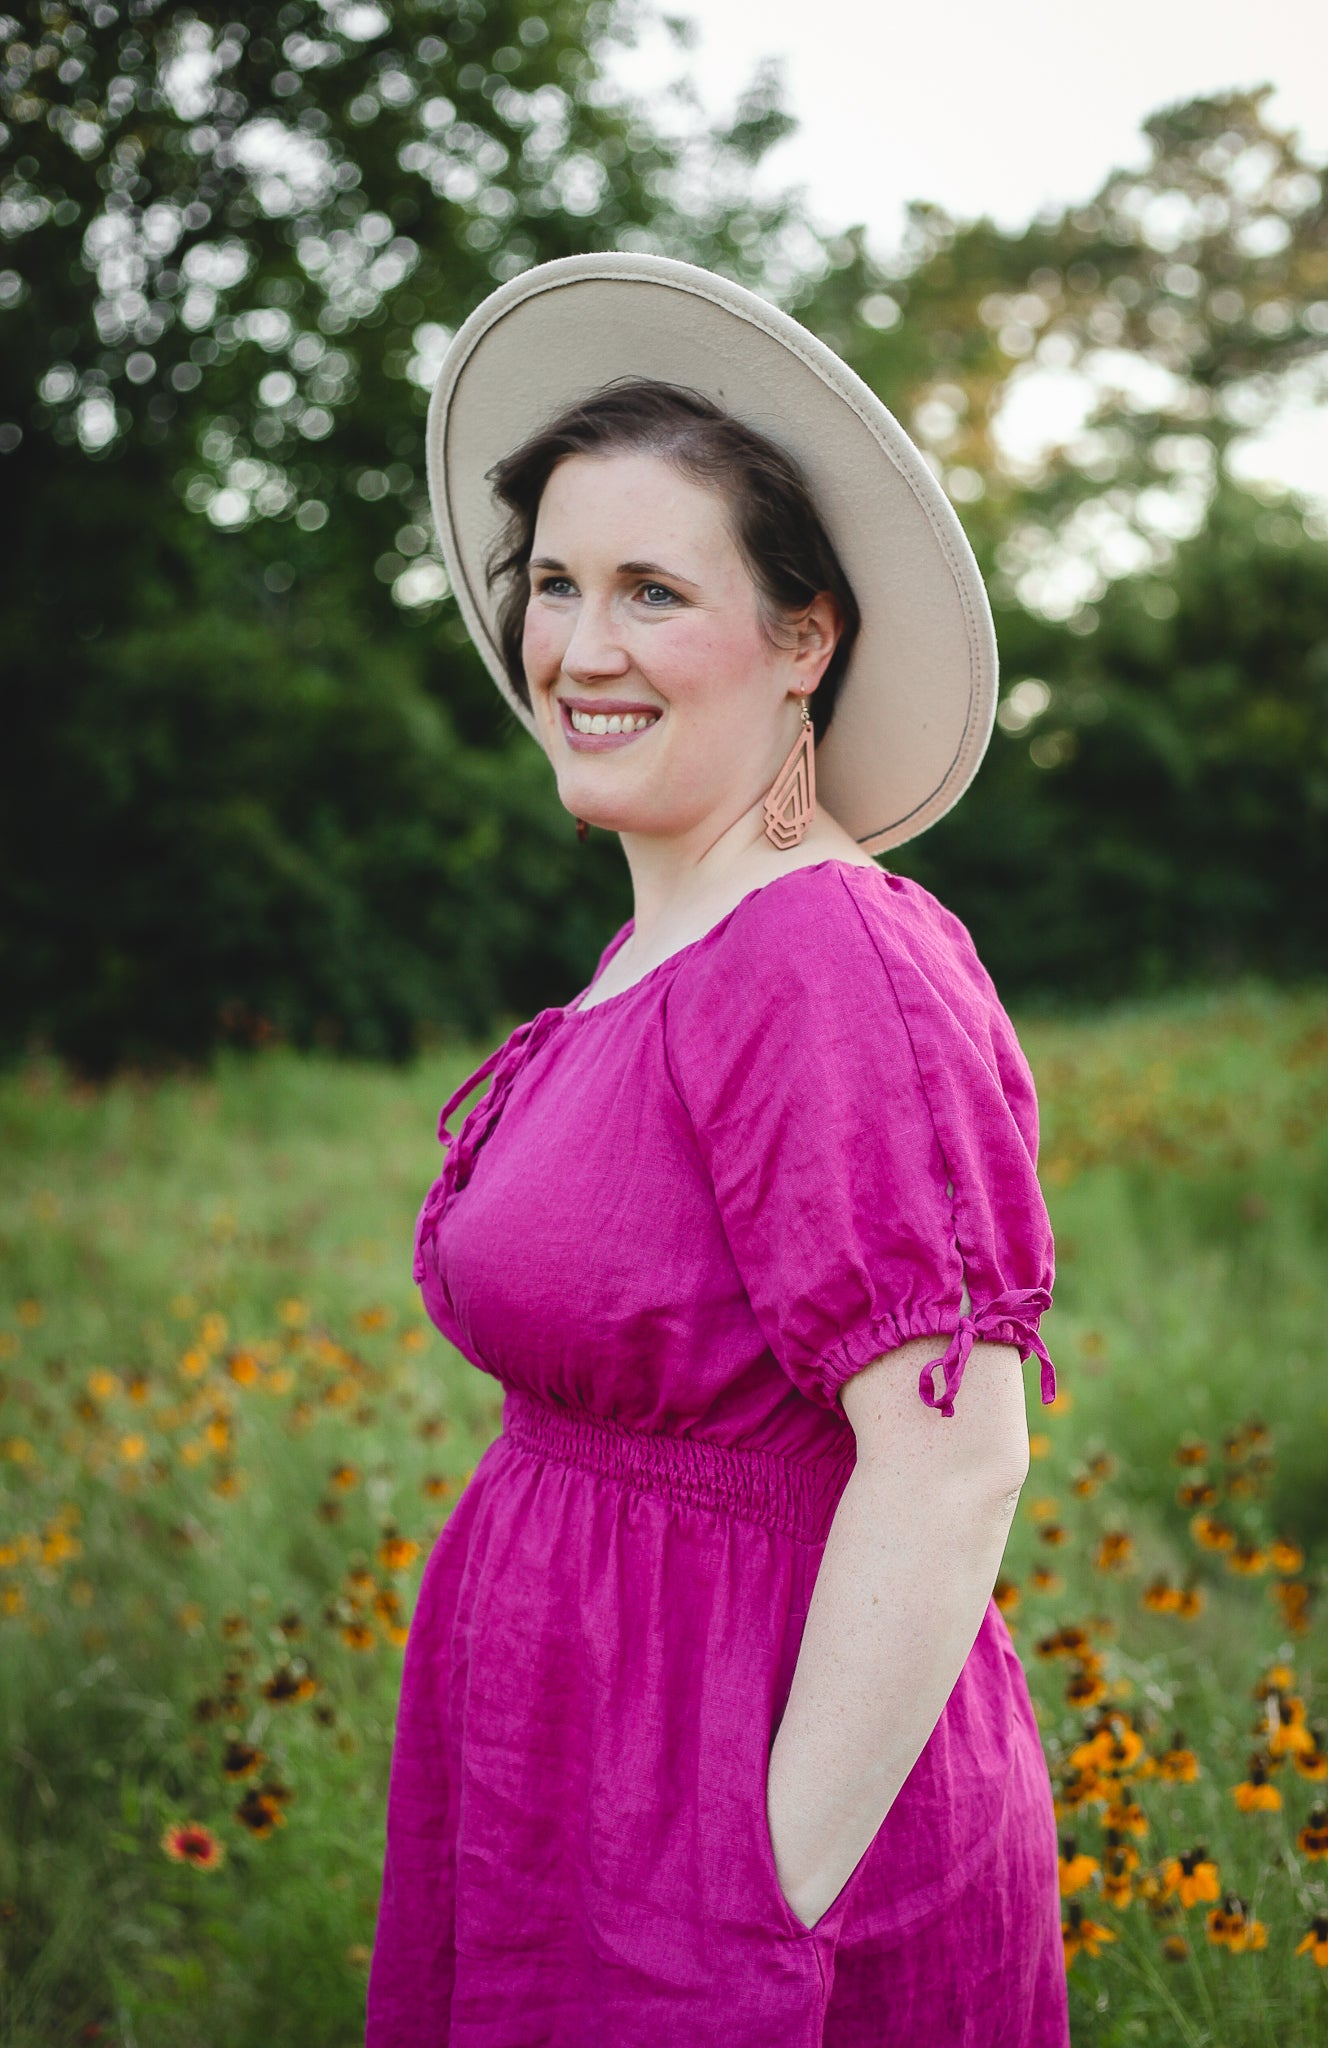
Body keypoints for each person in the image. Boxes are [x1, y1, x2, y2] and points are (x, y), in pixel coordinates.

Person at [366, 255, 1068, 2047]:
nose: (580, 650)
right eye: (556, 585)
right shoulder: (650, 955)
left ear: (804, 638)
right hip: (576, 1771)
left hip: (743, 1807)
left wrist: (764, 1897)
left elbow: (949, 1462)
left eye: (655, 592)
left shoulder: (831, 951)